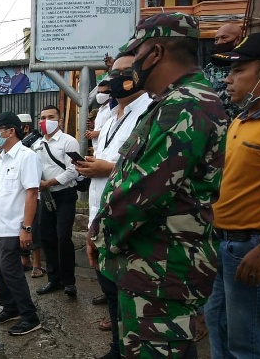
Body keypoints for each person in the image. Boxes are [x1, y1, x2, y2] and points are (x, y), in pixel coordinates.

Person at [88, 12, 227, 358]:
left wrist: (100, 234)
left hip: (162, 269)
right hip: (151, 267)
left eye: (136, 54)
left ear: (157, 52)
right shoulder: (174, 101)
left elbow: (142, 192)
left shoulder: (185, 105)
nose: (132, 64)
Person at [76, 55, 152, 359]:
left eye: (124, 71)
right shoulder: (109, 118)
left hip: (130, 221)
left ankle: (132, 349)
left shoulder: (151, 110)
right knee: (110, 291)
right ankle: (117, 349)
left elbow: (150, 165)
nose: (117, 78)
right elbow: (105, 159)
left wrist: (108, 168)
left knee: (134, 297)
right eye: (113, 72)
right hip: (101, 219)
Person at [207, 32, 260, 358]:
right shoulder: (241, 119)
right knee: (217, 324)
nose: (228, 80)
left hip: (251, 248)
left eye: (238, 70)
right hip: (224, 243)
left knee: (249, 344)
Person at [0, 112, 42, 336]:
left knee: (11, 271)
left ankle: (30, 316)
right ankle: (10, 308)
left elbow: (32, 193)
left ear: (11, 131)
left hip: (13, 227)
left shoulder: (27, 157)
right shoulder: (1, 159)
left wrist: (26, 228)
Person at [34, 105, 79, 297]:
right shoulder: (36, 144)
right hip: (45, 196)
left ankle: (69, 282)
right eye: (43, 117)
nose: (46, 120)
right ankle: (54, 279)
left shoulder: (69, 142)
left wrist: (50, 182)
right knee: (47, 237)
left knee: (63, 237)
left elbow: (74, 170)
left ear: (59, 120)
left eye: (51, 117)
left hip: (64, 195)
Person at [17, 114, 44, 279]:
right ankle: (25, 260)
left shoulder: (37, 145)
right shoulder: (18, 146)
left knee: (33, 228)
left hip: (35, 192)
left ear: (25, 128)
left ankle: (37, 264)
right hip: (19, 194)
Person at [204, 23, 244, 123]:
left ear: (238, 39)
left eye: (224, 37)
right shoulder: (211, 67)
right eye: (216, 39)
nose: (219, 42)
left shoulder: (247, 65)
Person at [86, 80, 113, 153]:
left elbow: (115, 129)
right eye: (98, 92)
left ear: (110, 93)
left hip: (107, 149)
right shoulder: (100, 110)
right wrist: (91, 132)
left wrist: (97, 133)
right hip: (97, 149)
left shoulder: (113, 109)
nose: (100, 94)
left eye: (103, 92)